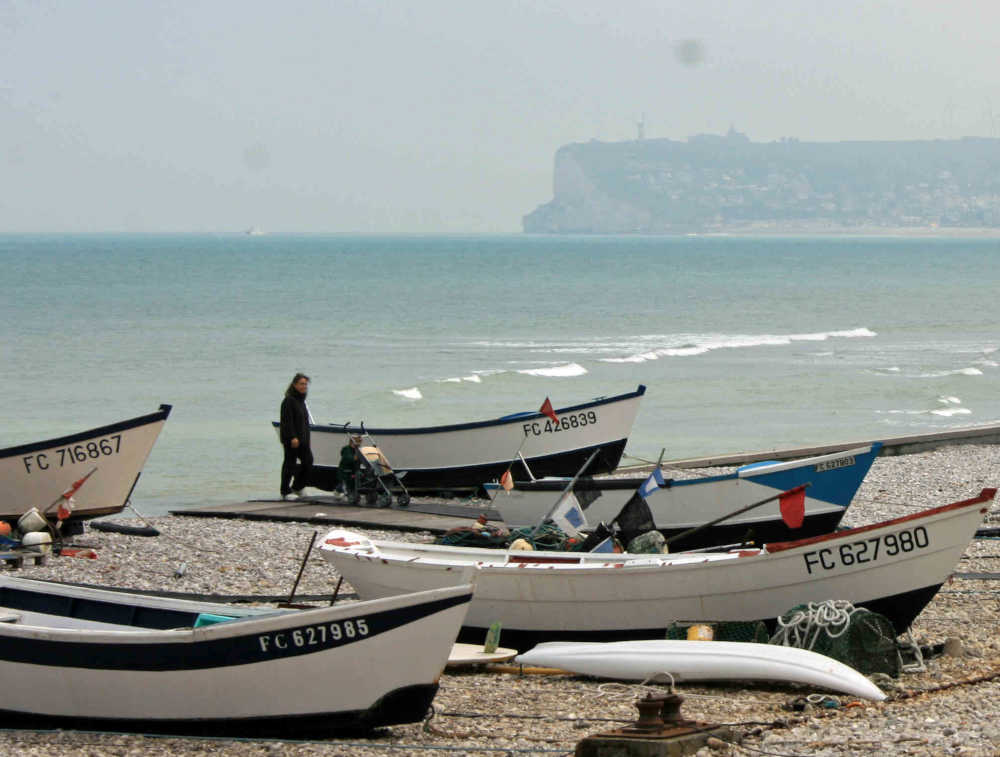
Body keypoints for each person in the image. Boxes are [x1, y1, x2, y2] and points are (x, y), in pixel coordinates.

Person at [279, 373, 313, 500]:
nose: (304, 386)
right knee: (289, 464)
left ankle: (297, 487)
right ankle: (285, 491)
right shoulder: (289, 400)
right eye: (301, 384)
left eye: (305, 384)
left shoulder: (301, 400)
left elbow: (304, 422)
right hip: (291, 439)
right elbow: (287, 421)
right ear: (294, 385)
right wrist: (292, 437)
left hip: (303, 440)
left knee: (308, 462)